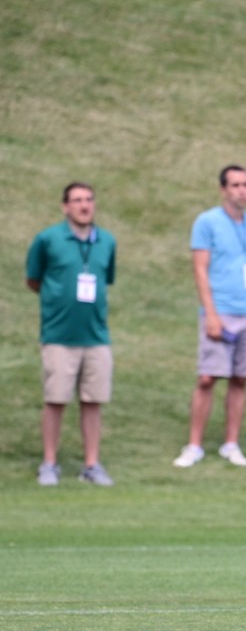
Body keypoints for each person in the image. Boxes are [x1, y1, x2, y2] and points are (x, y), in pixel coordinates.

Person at [173, 165, 246, 469]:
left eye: (245, 184)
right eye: (235, 185)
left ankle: (231, 444)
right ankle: (194, 446)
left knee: (241, 379)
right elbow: (200, 269)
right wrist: (211, 314)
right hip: (221, 311)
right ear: (223, 190)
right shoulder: (207, 222)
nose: (242, 190)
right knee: (207, 378)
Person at [25, 182, 117, 486]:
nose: (84, 205)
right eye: (77, 200)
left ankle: (92, 465)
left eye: (89, 199)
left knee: (93, 401)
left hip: (96, 336)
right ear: (65, 206)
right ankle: (49, 464)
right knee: (56, 399)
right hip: (59, 335)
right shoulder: (48, 240)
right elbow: (34, 279)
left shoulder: (106, 241)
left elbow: (106, 280)